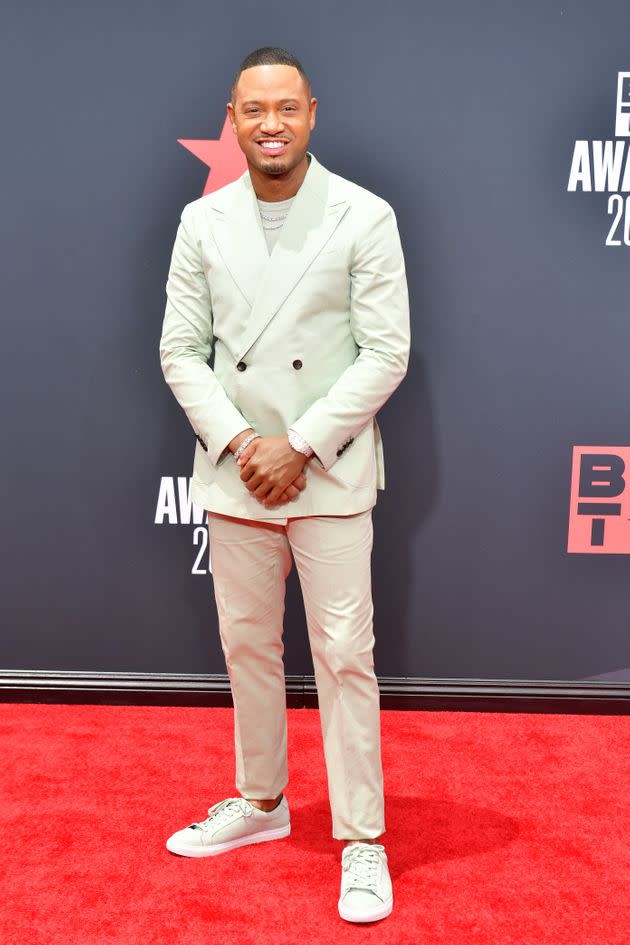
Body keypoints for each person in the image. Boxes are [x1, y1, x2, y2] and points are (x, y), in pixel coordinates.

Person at [159, 45, 410, 924]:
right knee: (247, 646)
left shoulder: (363, 215)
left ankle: (363, 838)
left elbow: (387, 351)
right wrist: (240, 441)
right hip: (237, 475)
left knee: (346, 656)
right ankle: (262, 802)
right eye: (253, 110)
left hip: (329, 470)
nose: (270, 124)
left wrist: (297, 443)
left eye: (286, 108)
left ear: (312, 113)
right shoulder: (204, 222)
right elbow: (180, 351)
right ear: (233, 118)